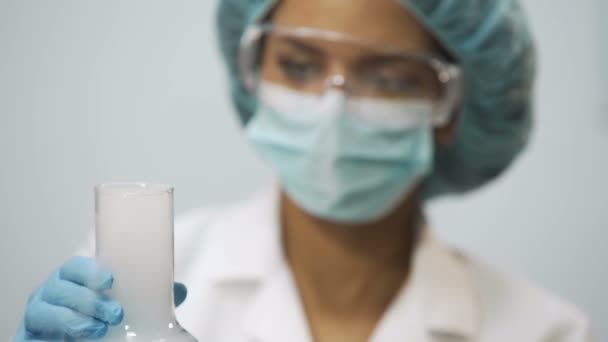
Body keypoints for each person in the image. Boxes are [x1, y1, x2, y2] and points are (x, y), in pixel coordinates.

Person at [14, 0, 593, 341]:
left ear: (452, 108)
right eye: (298, 65)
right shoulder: (126, 284)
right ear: (253, 72)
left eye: (389, 77)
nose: (331, 107)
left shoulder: (544, 330)